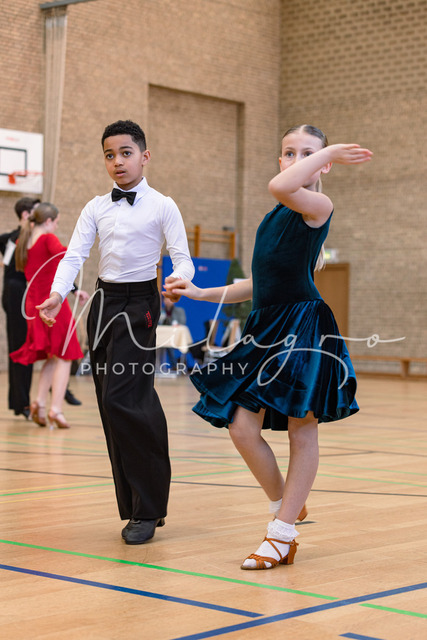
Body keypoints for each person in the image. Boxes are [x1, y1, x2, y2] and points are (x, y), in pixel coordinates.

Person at [165, 124, 372, 569]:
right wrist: (199, 293)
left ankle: (281, 534)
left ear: (325, 166)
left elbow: (281, 186)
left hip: (302, 325)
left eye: (308, 153)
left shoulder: (319, 206)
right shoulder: (273, 215)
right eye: (289, 153)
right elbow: (257, 284)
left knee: (302, 429)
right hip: (265, 327)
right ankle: (287, 505)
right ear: (279, 159)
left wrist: (330, 150)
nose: (296, 160)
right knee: (241, 427)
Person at [37, 120, 194, 544]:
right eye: (110, 155)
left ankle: (148, 508)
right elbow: (74, 256)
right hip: (104, 303)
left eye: (126, 153)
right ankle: (140, 506)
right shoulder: (95, 207)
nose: (118, 162)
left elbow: (182, 257)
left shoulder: (163, 205)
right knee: (114, 404)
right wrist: (58, 294)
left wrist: (179, 280)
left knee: (123, 399)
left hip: (141, 304)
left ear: (145, 156)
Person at [10, 203, 85, 429]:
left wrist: (74, 290)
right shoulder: (47, 239)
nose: (57, 226)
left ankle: (40, 404)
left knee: (54, 357)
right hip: (52, 305)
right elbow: (68, 258)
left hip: (34, 305)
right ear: (49, 221)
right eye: (57, 222)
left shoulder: (23, 241)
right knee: (65, 356)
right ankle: (56, 409)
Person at [0, 197, 40, 418]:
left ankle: (20, 402)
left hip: (26, 294)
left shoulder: (31, 238)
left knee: (27, 346)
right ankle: (22, 402)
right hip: (16, 295)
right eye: (35, 212)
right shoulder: (12, 239)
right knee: (20, 346)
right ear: (26, 215)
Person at [158, 297, 187, 370]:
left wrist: (172, 322)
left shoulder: (179, 311)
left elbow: (182, 322)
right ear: (163, 301)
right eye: (166, 299)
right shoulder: (161, 311)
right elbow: (159, 323)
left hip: (176, 336)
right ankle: (157, 366)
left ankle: (175, 365)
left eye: (170, 299)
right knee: (159, 344)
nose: (168, 301)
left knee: (169, 343)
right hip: (163, 336)